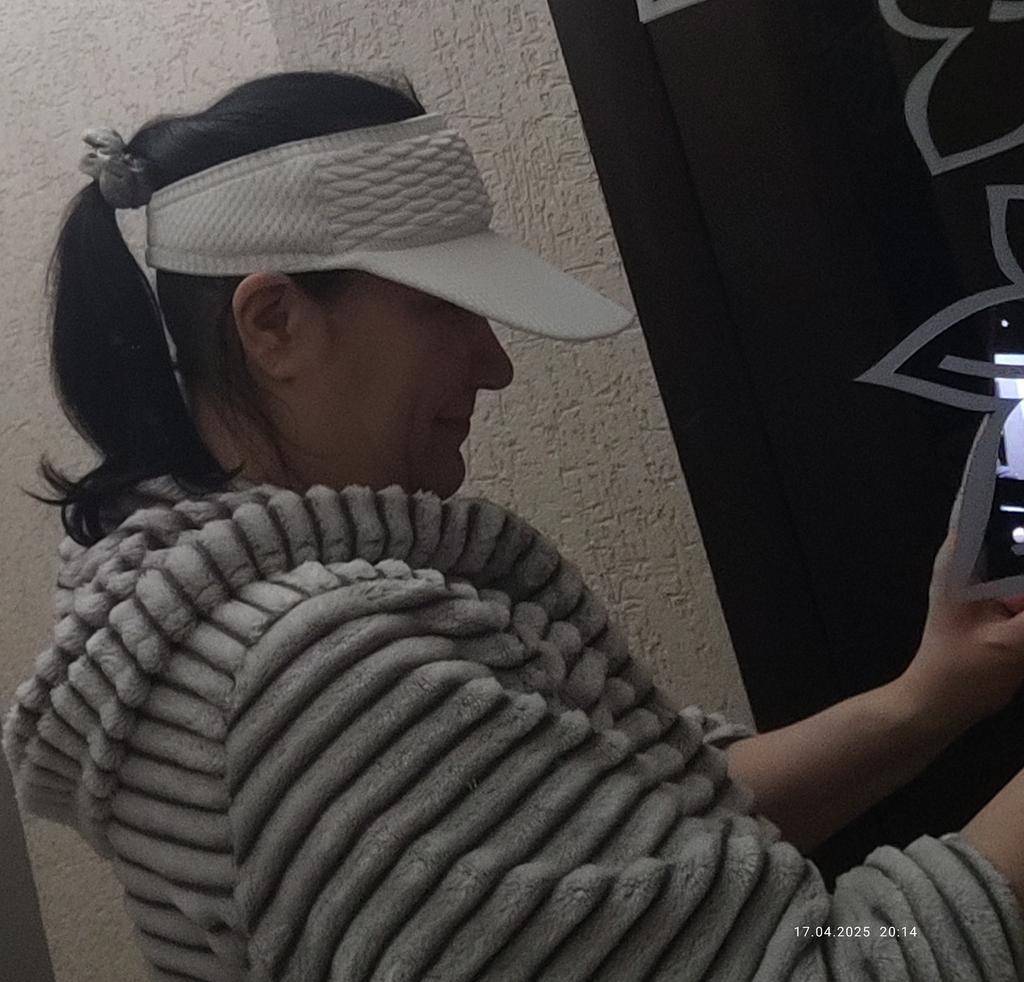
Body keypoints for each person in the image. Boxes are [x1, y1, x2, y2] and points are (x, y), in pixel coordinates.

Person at [4, 69, 1024, 982]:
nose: (494, 365)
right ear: (273, 323)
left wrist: (925, 700)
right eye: (446, 308)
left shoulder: (197, 599)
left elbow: (621, 857)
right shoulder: (321, 672)